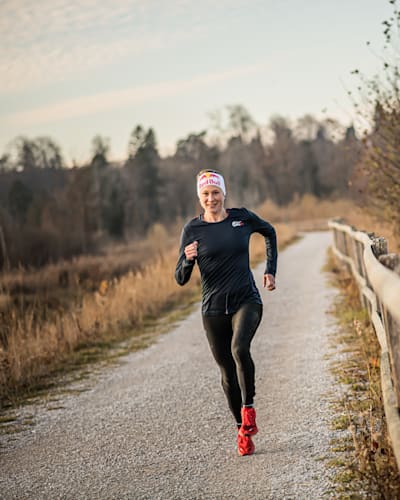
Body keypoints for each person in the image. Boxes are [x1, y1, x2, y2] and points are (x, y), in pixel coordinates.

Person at [175, 169, 278, 456]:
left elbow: (269, 232)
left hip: (247, 300)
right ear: (200, 197)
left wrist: (270, 270)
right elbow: (180, 278)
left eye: (216, 192)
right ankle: (241, 430)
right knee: (227, 374)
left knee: (239, 349)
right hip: (213, 310)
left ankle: (249, 410)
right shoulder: (192, 230)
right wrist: (187, 259)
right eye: (206, 194)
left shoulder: (241, 218)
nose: (212, 198)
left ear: (224, 193)